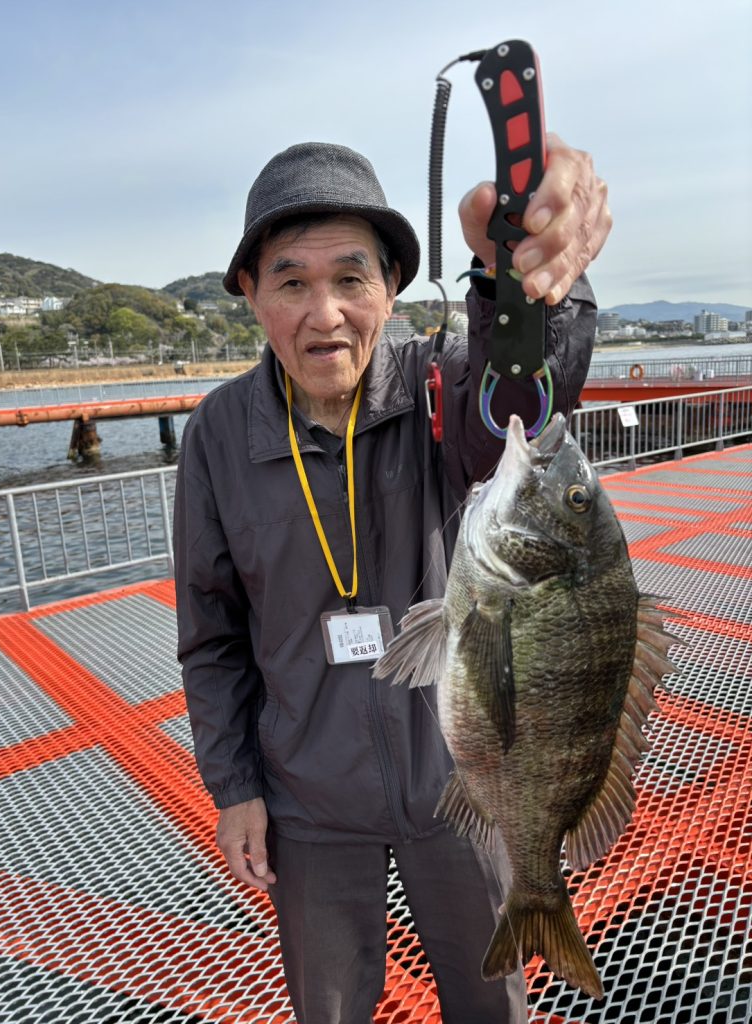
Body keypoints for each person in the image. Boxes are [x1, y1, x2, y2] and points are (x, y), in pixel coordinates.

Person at [174, 138, 611, 1023]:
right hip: (306, 798)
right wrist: (236, 787)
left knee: (491, 1005)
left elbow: (525, 398)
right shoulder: (217, 435)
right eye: (291, 281)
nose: (325, 313)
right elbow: (211, 636)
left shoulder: (436, 386)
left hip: (458, 780)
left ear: (392, 288)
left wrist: (530, 277)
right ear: (250, 293)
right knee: (329, 1008)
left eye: (352, 277)